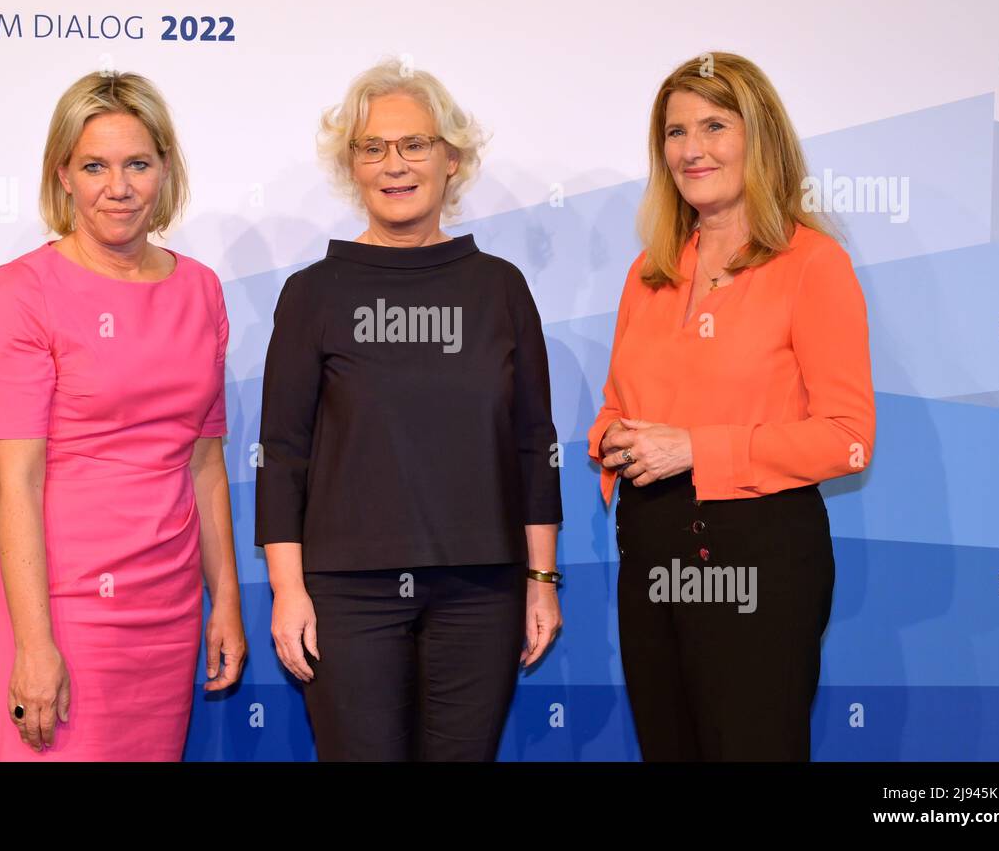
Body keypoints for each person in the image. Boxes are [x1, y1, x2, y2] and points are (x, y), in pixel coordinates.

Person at [255, 59, 563, 761]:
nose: (394, 165)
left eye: (414, 144)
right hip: (346, 597)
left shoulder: (500, 289)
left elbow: (533, 445)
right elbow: (283, 455)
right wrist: (287, 592)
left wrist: (541, 582)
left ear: (451, 158)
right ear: (352, 166)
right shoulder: (314, 294)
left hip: (481, 592)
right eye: (373, 148)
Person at [588, 51, 876, 761]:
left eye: (714, 126)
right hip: (651, 544)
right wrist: (612, 439)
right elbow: (613, 407)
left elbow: (847, 439)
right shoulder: (649, 270)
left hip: (758, 550)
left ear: (759, 137)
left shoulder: (812, 263)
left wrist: (696, 448)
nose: (692, 149)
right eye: (676, 131)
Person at [0, 71, 246, 760]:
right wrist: (36, 646)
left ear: (165, 170)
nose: (117, 188)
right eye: (94, 165)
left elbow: (204, 463)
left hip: (168, 606)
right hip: (63, 607)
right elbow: (16, 482)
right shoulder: (24, 291)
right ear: (63, 174)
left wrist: (228, 601)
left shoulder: (200, 290)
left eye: (137, 165)